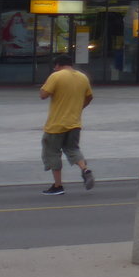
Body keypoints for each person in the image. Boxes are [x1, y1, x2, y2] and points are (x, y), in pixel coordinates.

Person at [38, 53, 94, 195]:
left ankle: (58, 186)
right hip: (74, 123)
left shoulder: (56, 76)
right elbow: (89, 97)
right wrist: (78, 107)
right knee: (73, 149)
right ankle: (85, 169)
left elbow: (43, 95)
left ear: (57, 65)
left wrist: (44, 86)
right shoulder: (83, 77)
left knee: (52, 153)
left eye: (54, 66)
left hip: (56, 124)